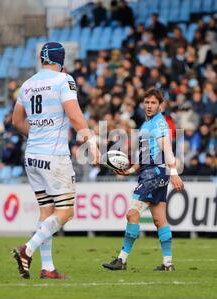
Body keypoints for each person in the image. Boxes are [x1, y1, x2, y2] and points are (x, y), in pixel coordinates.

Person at [11, 42, 100, 280]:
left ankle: (48, 267)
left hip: (32, 156)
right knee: (66, 212)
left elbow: (16, 122)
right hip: (54, 156)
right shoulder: (64, 80)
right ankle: (27, 249)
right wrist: (91, 141)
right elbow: (74, 115)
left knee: (46, 211)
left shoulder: (27, 84)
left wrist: (37, 134)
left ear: (42, 59)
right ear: (61, 61)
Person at [102, 88, 184, 271]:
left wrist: (174, 173)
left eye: (153, 103)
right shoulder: (146, 124)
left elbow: (167, 148)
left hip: (154, 173)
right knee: (159, 220)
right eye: (146, 102)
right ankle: (168, 263)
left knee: (132, 214)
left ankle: (122, 260)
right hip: (152, 171)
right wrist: (130, 169)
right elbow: (145, 155)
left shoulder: (159, 124)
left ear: (160, 105)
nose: (149, 106)